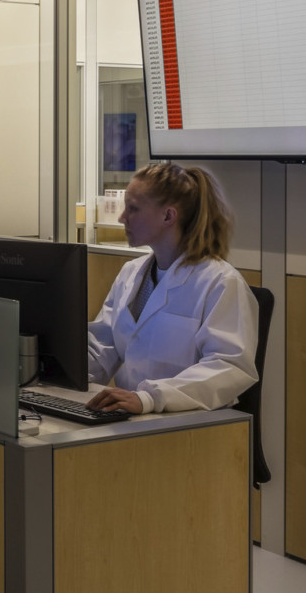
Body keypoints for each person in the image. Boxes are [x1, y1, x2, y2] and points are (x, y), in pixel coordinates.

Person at [86, 161, 258, 414]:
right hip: (132, 416)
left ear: (168, 216)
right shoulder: (131, 274)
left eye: (133, 209)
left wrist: (150, 398)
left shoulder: (219, 282)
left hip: (188, 424)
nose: (123, 218)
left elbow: (229, 367)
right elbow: (103, 346)